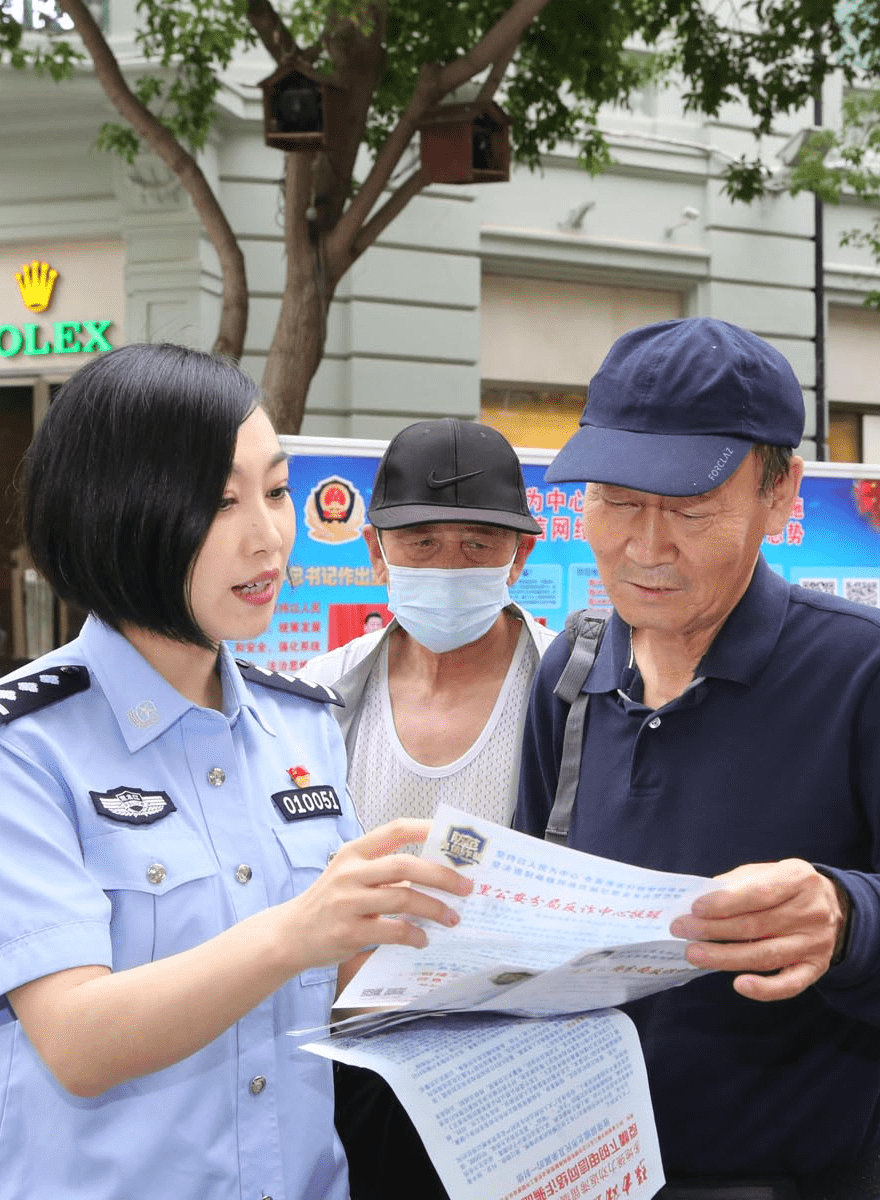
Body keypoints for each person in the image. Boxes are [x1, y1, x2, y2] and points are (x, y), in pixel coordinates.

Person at [515, 317, 880, 1199]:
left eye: (688, 509)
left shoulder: (868, 670)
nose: (646, 547)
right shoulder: (571, 670)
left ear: (780, 492)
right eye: (614, 501)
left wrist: (851, 920)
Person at [0, 343, 470, 1200]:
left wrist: (478, 948)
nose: (269, 536)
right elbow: (78, 1039)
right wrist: (302, 929)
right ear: (119, 513)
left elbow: (339, 987)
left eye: (278, 490)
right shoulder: (13, 749)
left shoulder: (300, 726)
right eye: (221, 502)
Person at [298, 417, 557, 1199]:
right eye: (421, 543)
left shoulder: (573, 697)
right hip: (356, 1076)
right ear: (374, 550)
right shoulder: (318, 700)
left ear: (523, 553)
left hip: (521, 1079)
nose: (450, 565)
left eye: (479, 545)